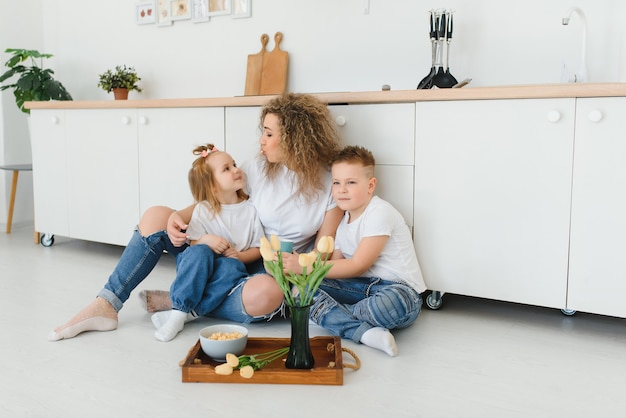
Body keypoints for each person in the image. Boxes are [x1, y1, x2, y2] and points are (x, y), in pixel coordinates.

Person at [48, 92, 343, 341]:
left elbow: (322, 247)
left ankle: (180, 303)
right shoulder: (257, 168)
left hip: (263, 269)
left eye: (269, 134)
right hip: (218, 246)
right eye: (262, 132)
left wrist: (298, 268)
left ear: (295, 139)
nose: (261, 141)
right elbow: (214, 201)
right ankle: (107, 303)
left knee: (268, 295)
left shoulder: (329, 184)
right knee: (155, 216)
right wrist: (177, 216)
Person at [289, 145, 426, 356]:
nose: (341, 190)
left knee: (386, 305)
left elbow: (358, 264)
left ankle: (336, 317)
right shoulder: (343, 224)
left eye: (350, 183)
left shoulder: (379, 212)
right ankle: (364, 333)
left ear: (370, 186)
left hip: (399, 291)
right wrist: (307, 275)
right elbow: (336, 268)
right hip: (361, 290)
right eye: (336, 183)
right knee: (301, 292)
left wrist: (307, 267)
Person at [152, 144, 267, 342]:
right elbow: (192, 244)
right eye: (227, 169)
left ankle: (184, 314)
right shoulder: (204, 210)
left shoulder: (250, 210)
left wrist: (240, 256)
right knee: (200, 252)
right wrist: (206, 240)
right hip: (198, 267)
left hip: (226, 271)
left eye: (234, 164)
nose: (236, 169)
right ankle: (180, 308)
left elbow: (258, 248)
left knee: (233, 266)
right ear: (212, 186)